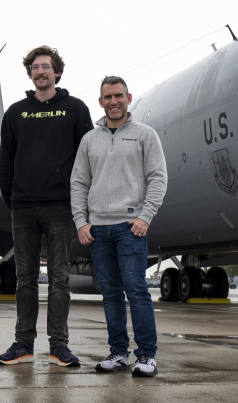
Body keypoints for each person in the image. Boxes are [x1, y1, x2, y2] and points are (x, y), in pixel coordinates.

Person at [0, 45, 93, 368]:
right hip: (23, 208)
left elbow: (87, 159)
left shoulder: (75, 109)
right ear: (30, 73)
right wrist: (13, 199)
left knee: (59, 279)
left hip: (60, 207)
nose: (40, 72)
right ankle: (23, 344)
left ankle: (58, 347)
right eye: (35, 67)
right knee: (25, 280)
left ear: (57, 72)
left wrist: (80, 202)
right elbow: (5, 161)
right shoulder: (16, 113)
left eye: (46, 67)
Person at [70, 76, 168, 377]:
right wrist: (81, 221)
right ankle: (118, 352)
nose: (113, 101)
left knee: (136, 290)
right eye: (108, 97)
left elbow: (158, 177)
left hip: (130, 227)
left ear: (128, 98)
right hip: (98, 229)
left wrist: (145, 216)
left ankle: (146, 356)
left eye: (119, 96)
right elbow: (78, 183)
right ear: (100, 102)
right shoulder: (89, 139)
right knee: (111, 293)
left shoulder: (145, 135)